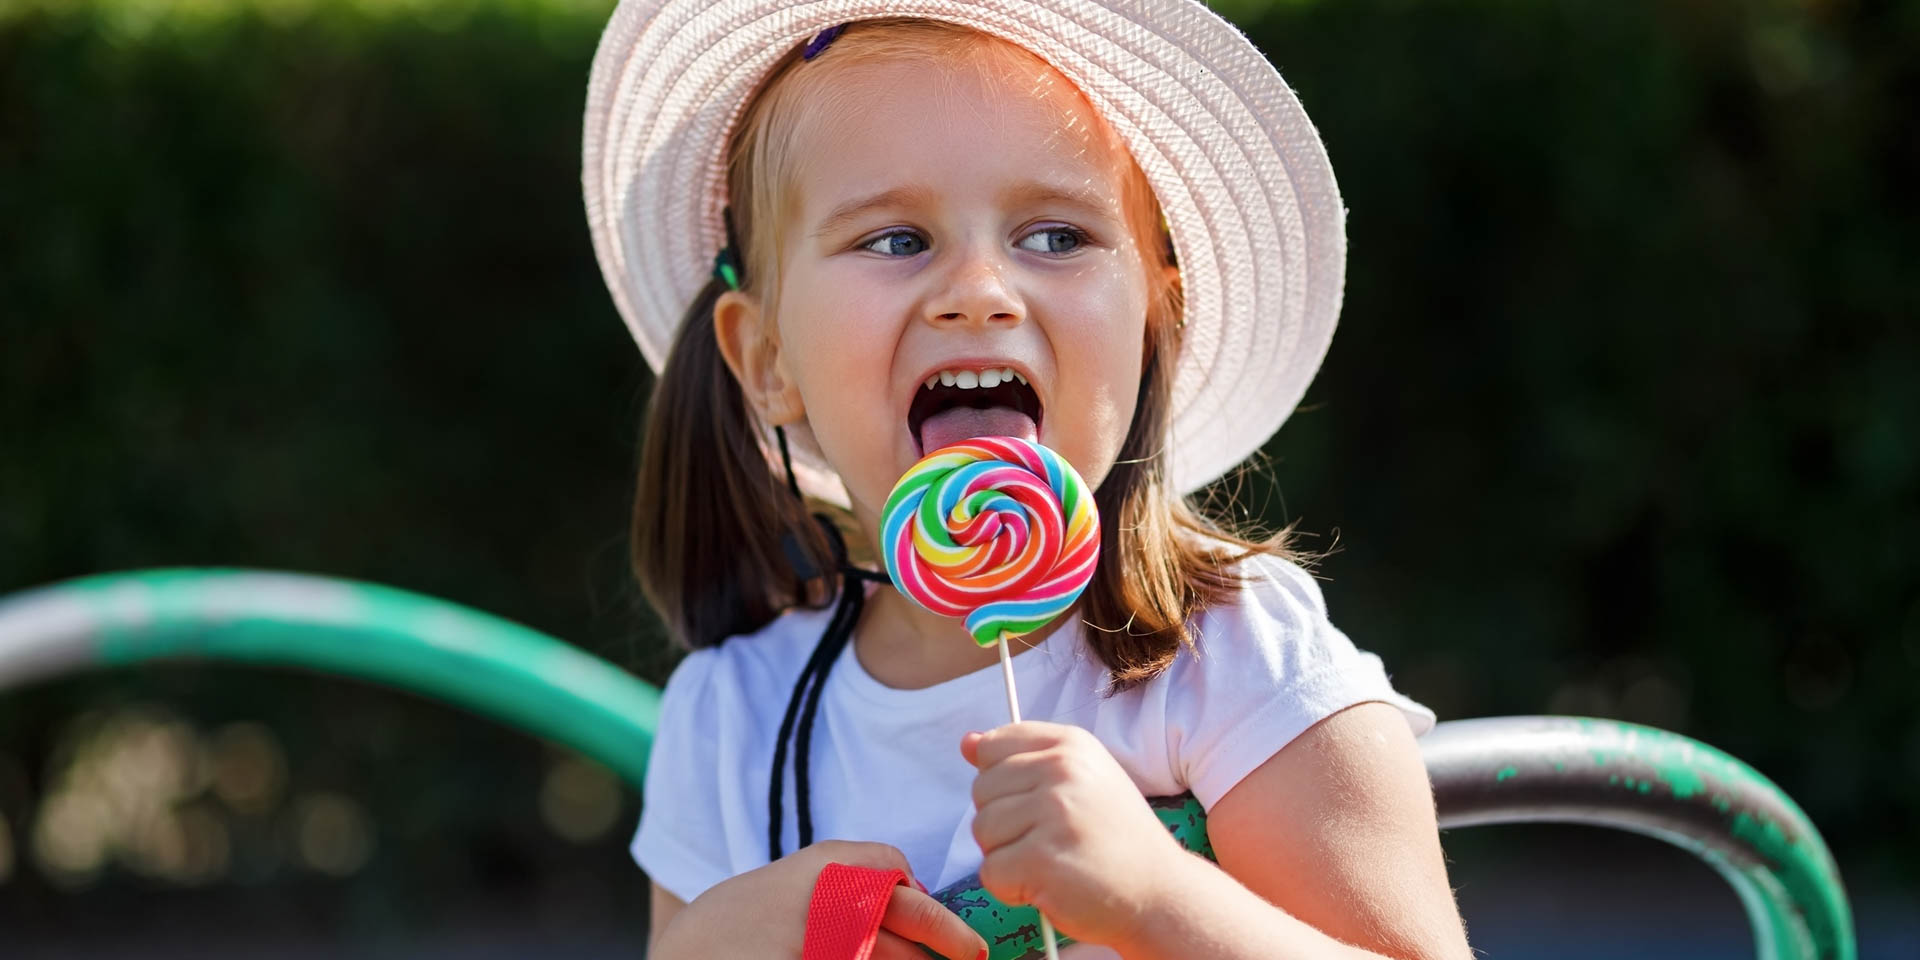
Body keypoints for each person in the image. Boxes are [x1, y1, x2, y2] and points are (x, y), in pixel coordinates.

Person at [580, 3, 1473, 958]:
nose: (979, 290)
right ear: (765, 360)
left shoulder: (1234, 657)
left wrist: (1156, 897)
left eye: (1055, 237)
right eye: (894, 240)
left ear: (1150, 324)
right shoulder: (732, 721)